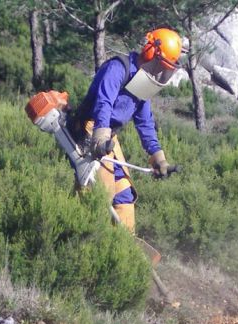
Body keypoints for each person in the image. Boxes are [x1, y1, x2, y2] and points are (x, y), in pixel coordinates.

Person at [69, 27, 183, 233]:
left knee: (124, 195)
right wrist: (100, 137)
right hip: (92, 129)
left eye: (166, 69)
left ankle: (124, 247)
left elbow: (145, 122)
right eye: (160, 65)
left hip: (108, 136)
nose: (160, 72)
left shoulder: (142, 80)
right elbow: (103, 103)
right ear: (150, 52)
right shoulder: (118, 68)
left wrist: (158, 156)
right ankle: (81, 236)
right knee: (100, 194)